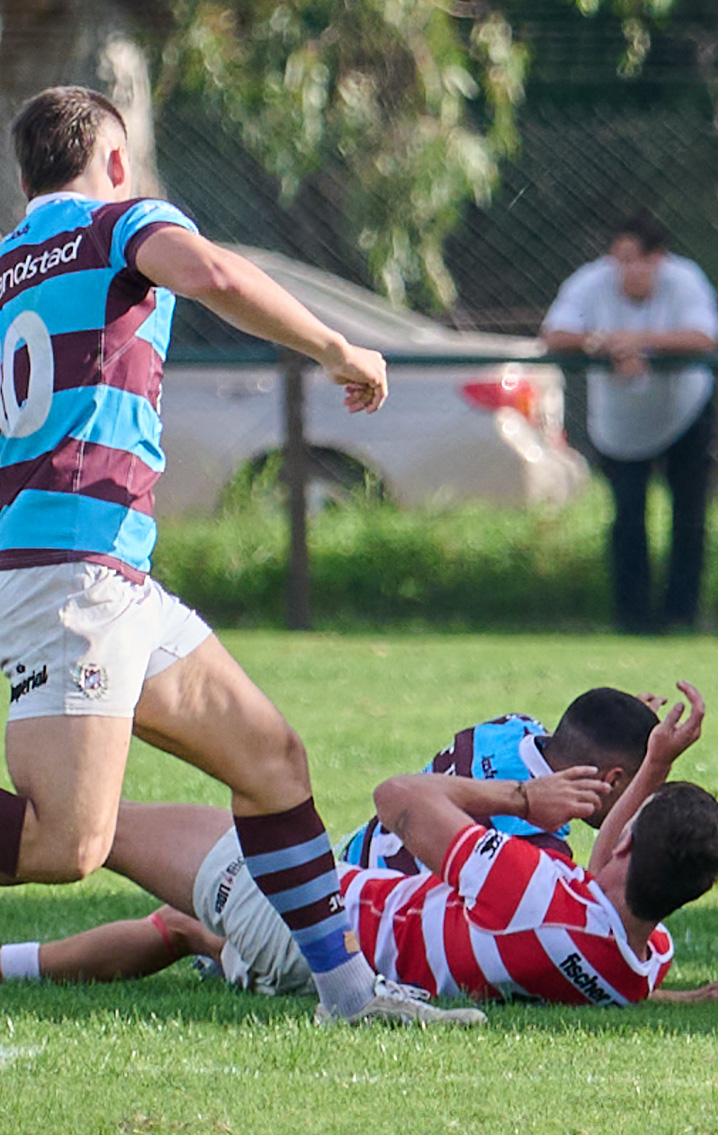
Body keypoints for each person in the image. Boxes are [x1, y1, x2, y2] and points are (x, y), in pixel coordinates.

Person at [0, 86, 478, 1025]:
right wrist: (338, 346)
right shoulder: (121, 220)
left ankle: (349, 995)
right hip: (73, 572)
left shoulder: (9, 262)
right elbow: (211, 273)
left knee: (271, 759)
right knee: (69, 842)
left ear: (24, 178)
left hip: (101, 572)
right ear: (114, 161)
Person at [0, 682, 718, 1006]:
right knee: (177, 921)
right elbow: (612, 876)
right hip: (341, 927)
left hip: (313, 915)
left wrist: (523, 800)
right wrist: (657, 767)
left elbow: (397, 796)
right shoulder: (643, 956)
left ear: (629, 849)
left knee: (91, 826)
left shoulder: (540, 890)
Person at [541, 213, 718, 633]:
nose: (630, 269)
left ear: (660, 259)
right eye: (621, 259)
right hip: (620, 425)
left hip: (684, 413)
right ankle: (632, 617)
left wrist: (637, 342)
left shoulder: (685, 279)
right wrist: (600, 344)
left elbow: (704, 336)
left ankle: (682, 615)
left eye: (641, 259)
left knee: (690, 515)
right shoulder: (590, 281)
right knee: (626, 517)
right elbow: (554, 333)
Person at [336, 686, 663, 873]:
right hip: (362, 921)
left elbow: (578, 739)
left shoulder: (510, 727)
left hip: (347, 858)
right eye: (642, 786)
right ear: (614, 780)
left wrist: (627, 725)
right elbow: (586, 933)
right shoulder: (535, 845)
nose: (640, 802)